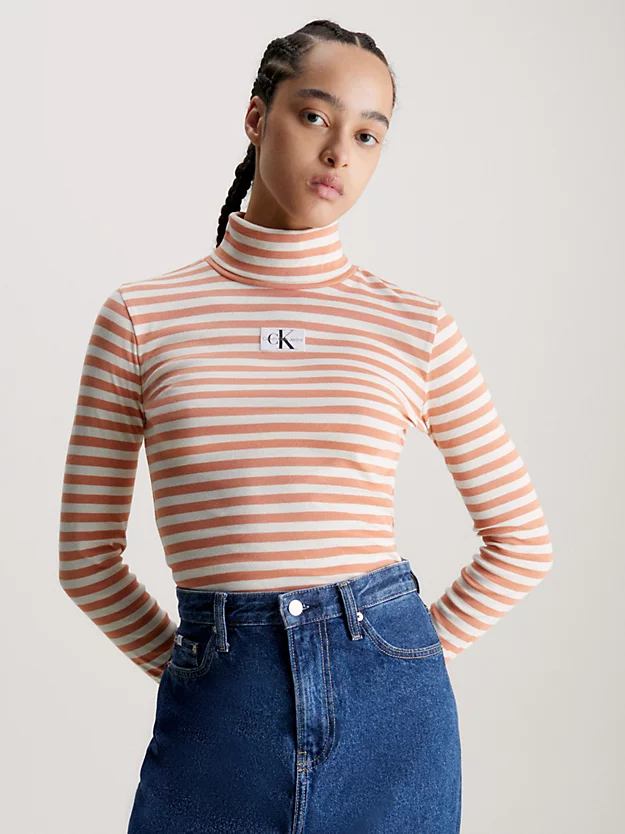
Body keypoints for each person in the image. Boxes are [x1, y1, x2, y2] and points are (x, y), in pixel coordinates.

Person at [58, 18, 553, 833]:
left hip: (393, 718)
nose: (337, 153)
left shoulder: (414, 327)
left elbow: (521, 541)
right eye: (314, 116)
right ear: (257, 117)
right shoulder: (142, 319)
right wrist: (197, 666)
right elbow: (86, 562)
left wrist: (402, 665)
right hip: (218, 713)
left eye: (366, 135)